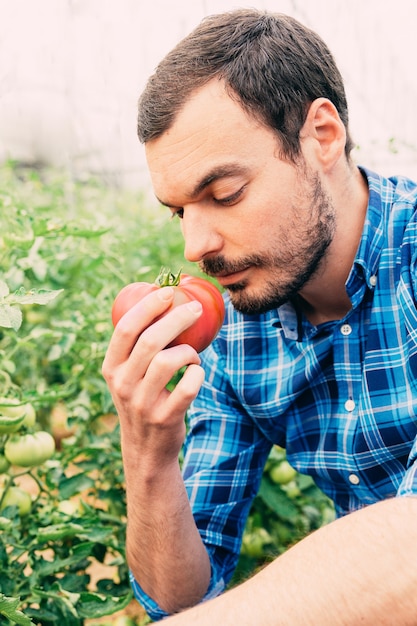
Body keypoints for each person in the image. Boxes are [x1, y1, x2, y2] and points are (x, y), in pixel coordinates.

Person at [102, 9, 417, 625]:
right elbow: (179, 598)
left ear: (321, 135)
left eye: (224, 195)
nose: (195, 247)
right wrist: (148, 454)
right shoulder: (233, 332)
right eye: (179, 211)